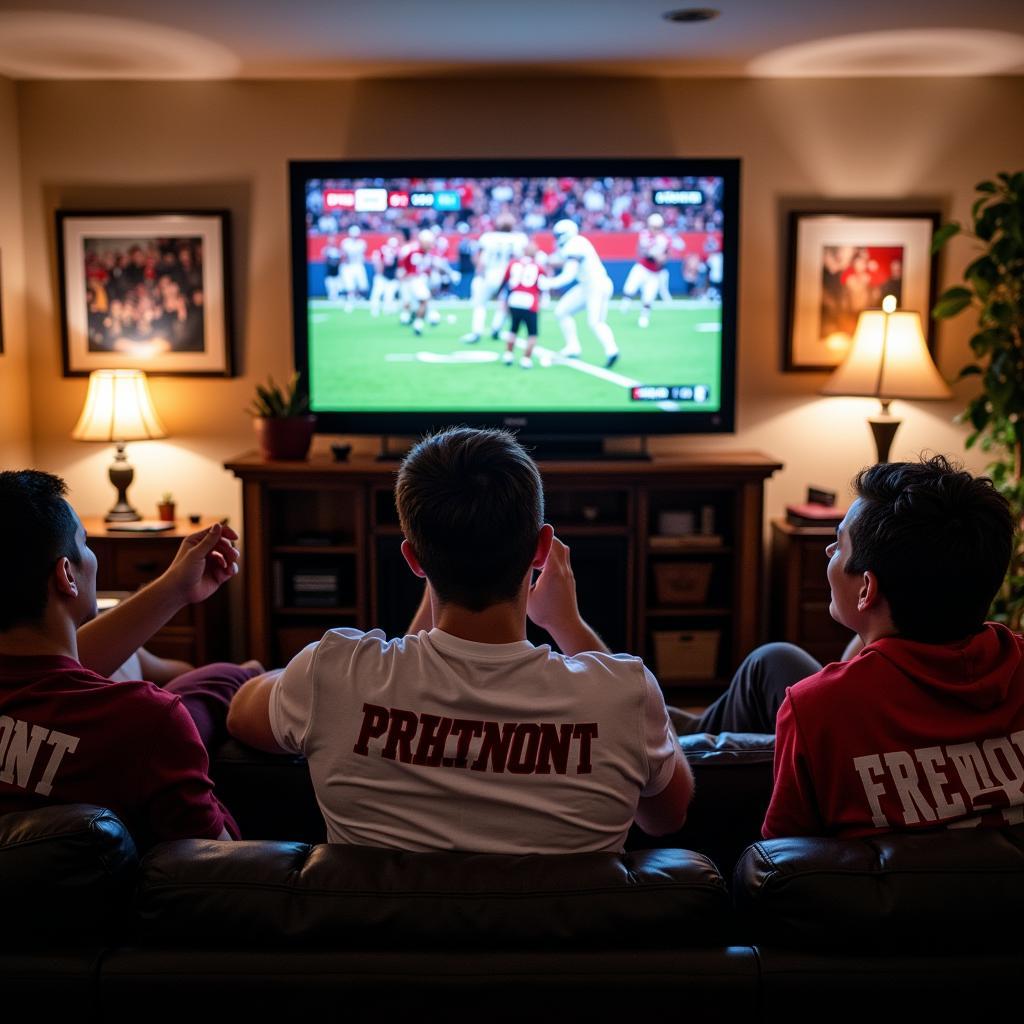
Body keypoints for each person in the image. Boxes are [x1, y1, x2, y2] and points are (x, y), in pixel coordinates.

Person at [228, 427, 692, 854]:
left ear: (413, 558)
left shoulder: (329, 673)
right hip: (558, 944)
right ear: (541, 549)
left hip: (381, 944)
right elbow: (667, 818)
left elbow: (240, 712)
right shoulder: (625, 693)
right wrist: (567, 624)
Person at [680, 456, 1024, 841]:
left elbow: (784, 861)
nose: (829, 553)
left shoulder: (816, 710)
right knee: (775, 659)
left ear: (867, 589)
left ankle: (656, 730)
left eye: (838, 543)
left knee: (759, 669)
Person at [0, 470, 259, 848]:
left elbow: (50, 676)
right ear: (67, 575)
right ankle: (248, 678)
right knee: (219, 682)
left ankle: (243, 677)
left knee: (201, 682)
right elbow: (221, 866)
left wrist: (174, 587)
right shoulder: (147, 720)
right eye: (85, 543)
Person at [540, 219, 619, 369]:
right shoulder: (574, 243)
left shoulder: (575, 244)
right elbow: (558, 260)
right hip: (587, 285)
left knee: (596, 322)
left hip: (596, 285)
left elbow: (568, 274)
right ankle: (572, 347)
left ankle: (612, 351)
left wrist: (548, 283)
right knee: (561, 311)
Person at [461, 213, 528, 344]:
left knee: (480, 304)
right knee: (504, 305)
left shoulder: (488, 237)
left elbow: (478, 257)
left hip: (489, 273)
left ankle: (477, 331)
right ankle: (496, 328)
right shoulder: (519, 238)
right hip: (508, 276)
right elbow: (522, 259)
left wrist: (479, 272)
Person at [499, 243, 547, 369]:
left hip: (514, 298)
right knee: (532, 333)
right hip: (529, 300)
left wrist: (502, 298)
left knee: (513, 328)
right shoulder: (539, 267)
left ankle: (508, 354)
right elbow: (542, 287)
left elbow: (505, 282)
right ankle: (526, 359)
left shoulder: (513, 263)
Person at [620, 212, 670, 328]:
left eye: (657, 227)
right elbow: (640, 252)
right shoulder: (644, 235)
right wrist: (650, 252)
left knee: (648, 297)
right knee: (630, 287)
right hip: (642, 267)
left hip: (655, 272)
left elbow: (664, 259)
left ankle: (644, 317)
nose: (655, 230)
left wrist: (658, 255)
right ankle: (626, 302)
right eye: (653, 227)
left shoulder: (664, 239)